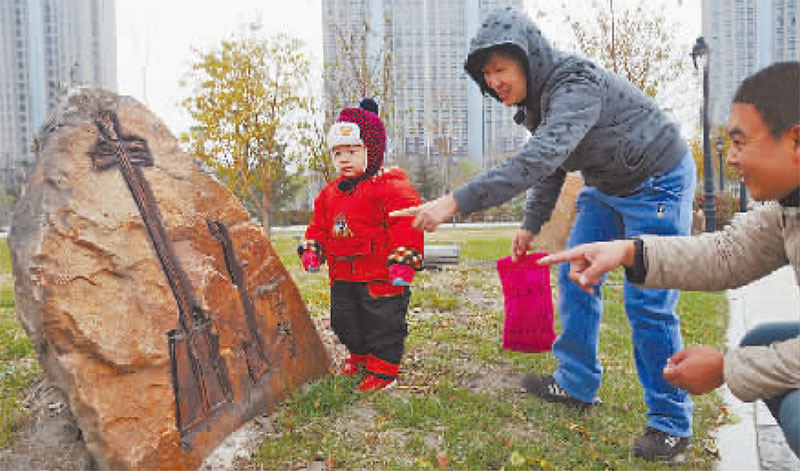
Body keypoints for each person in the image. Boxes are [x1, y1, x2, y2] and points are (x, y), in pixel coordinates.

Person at [396, 6, 696, 460]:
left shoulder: (575, 85)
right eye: (486, 74)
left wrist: (454, 201)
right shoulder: (540, 103)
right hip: (605, 186)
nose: (493, 81)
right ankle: (576, 383)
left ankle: (671, 424)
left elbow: (535, 161)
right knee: (573, 271)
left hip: (658, 179)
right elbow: (552, 166)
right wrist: (530, 224)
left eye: (500, 68)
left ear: (528, 58)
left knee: (647, 301)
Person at [538, 61, 800, 458]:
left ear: (795, 142)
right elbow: (723, 255)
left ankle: (671, 422)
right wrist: (628, 251)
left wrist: (726, 369)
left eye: (741, 143)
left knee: (796, 412)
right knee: (763, 342)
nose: (731, 159)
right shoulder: (786, 211)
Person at [298, 99, 424, 392]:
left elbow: (406, 224)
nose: (344, 159)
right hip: (343, 275)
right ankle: (360, 356)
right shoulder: (329, 194)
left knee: (382, 322)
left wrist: (403, 261)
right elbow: (319, 225)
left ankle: (383, 370)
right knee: (345, 322)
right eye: (338, 153)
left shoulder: (391, 188)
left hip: (380, 277)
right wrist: (313, 248)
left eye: (353, 152)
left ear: (373, 152)